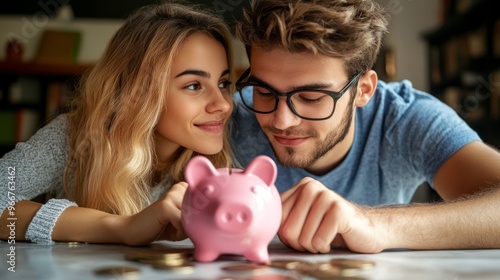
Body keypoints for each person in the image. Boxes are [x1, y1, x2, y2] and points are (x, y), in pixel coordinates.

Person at [231, 0, 500, 254]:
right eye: (264, 91)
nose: (281, 121)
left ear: (363, 89)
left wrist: (373, 224)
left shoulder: (406, 119)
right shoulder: (226, 120)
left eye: (311, 98)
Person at [0, 2, 235, 245]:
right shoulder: (75, 138)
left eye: (223, 84)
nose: (224, 105)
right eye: (194, 86)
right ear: (137, 92)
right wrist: (121, 228)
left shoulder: (222, 155)